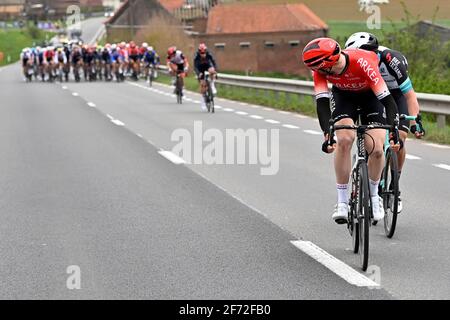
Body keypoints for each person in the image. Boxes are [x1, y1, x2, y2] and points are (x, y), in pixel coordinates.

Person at [302, 37, 401, 224]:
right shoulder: (320, 70)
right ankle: (342, 202)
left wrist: (394, 131)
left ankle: (374, 196)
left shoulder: (363, 62)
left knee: (377, 148)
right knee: (345, 139)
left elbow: (388, 101)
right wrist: (327, 134)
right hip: (344, 98)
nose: (317, 72)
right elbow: (322, 104)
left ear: (329, 64)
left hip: (372, 97)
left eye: (320, 69)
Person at [345, 32, 425, 213]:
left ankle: (395, 187)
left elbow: (409, 95)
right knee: (370, 135)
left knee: (401, 137)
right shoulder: (355, 64)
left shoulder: (391, 60)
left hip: (395, 95)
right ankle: (365, 169)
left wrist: (414, 124)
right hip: (372, 95)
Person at [193, 43, 218, 110]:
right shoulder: (196, 56)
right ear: (199, 52)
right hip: (200, 68)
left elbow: (214, 63)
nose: (203, 54)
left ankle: (212, 85)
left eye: (204, 52)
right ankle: (203, 100)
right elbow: (195, 67)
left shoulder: (209, 54)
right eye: (201, 53)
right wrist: (199, 74)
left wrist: (215, 70)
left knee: (212, 71)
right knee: (203, 84)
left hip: (207, 66)